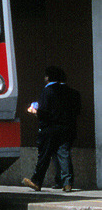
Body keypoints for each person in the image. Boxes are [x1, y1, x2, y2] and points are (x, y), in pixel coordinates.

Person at [23, 65, 82, 193]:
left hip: (49, 129)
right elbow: (77, 111)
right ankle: (67, 183)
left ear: (48, 77)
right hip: (67, 128)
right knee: (64, 153)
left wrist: (34, 111)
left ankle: (37, 181)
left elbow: (43, 111)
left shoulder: (47, 91)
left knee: (44, 156)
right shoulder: (71, 92)